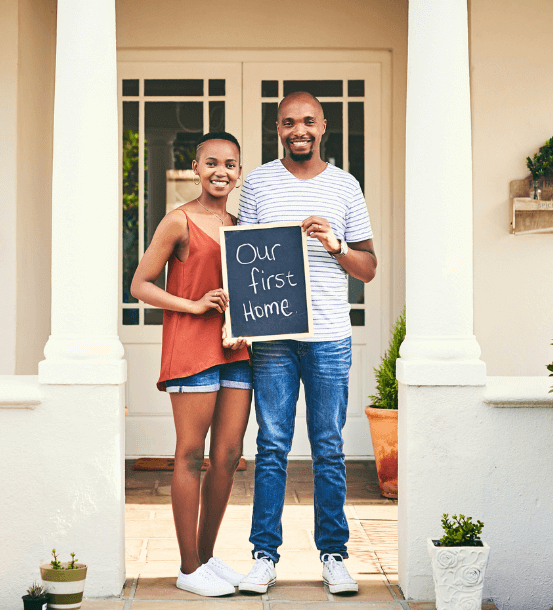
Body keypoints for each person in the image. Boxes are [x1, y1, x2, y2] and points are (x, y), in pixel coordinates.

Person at [236, 92, 377, 595]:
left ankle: (334, 555)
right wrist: (243, 317)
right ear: (277, 127)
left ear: (324, 126)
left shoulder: (345, 185)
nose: (300, 129)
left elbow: (369, 266)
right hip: (273, 336)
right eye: (290, 122)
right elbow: (242, 260)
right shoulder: (257, 183)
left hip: (329, 337)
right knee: (271, 446)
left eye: (308, 121)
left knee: (329, 447)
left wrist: (335, 244)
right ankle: (263, 556)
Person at [130, 132, 252, 597]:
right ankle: (186, 566)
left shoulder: (242, 227)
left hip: (235, 350)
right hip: (191, 352)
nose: (222, 171)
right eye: (213, 162)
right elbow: (140, 285)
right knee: (190, 454)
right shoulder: (177, 221)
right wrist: (195, 305)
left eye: (231, 164)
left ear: (239, 172)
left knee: (227, 456)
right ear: (197, 168)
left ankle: (204, 558)